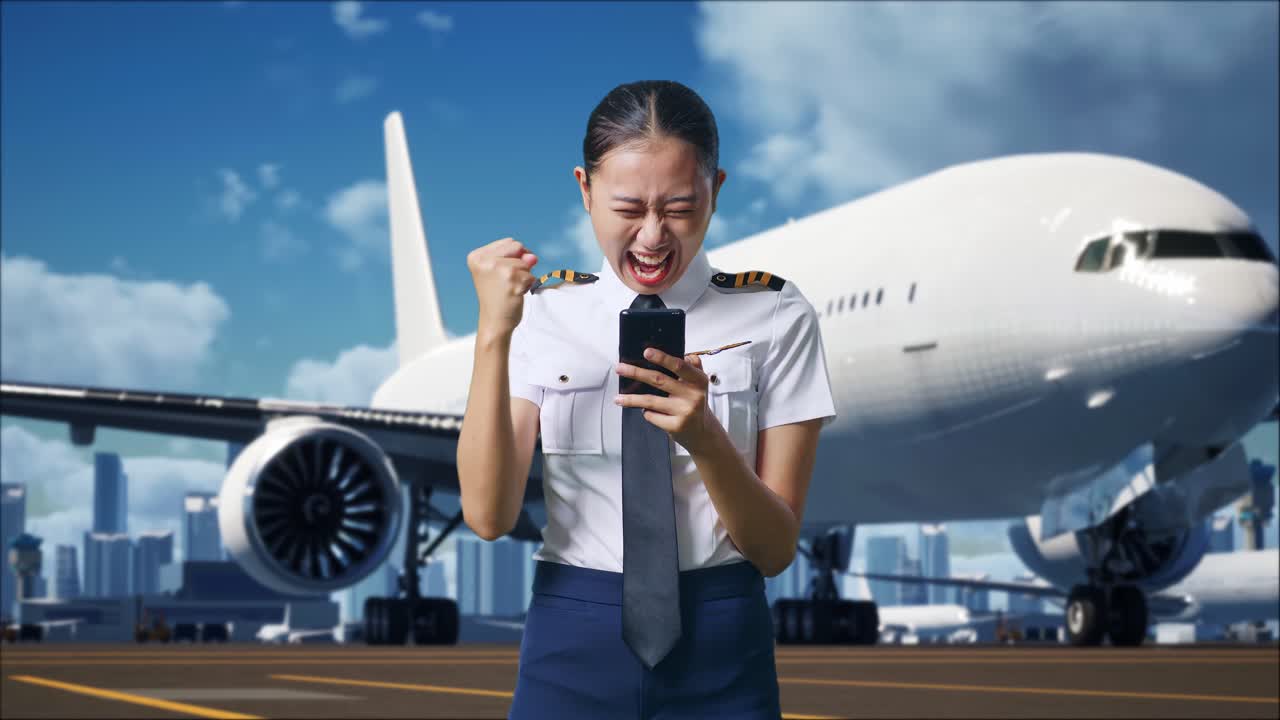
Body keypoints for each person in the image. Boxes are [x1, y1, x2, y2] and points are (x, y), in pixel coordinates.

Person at [457, 80, 836, 720]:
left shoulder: (777, 313)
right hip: (569, 637)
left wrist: (707, 439)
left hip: (723, 641)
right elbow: (489, 517)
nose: (653, 237)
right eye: (629, 207)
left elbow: (774, 552)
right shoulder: (543, 313)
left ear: (717, 189)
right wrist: (494, 334)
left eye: (682, 207)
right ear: (584, 189)